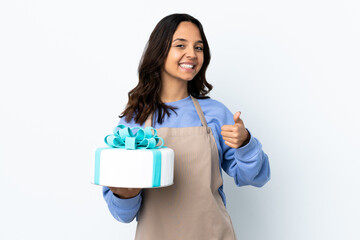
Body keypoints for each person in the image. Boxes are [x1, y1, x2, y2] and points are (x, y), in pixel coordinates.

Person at [102, 13, 270, 239]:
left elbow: (254, 178)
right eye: (181, 45)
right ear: (159, 51)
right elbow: (122, 214)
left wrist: (245, 143)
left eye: (198, 48)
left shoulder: (216, 114)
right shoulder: (134, 122)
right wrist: (125, 195)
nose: (192, 54)